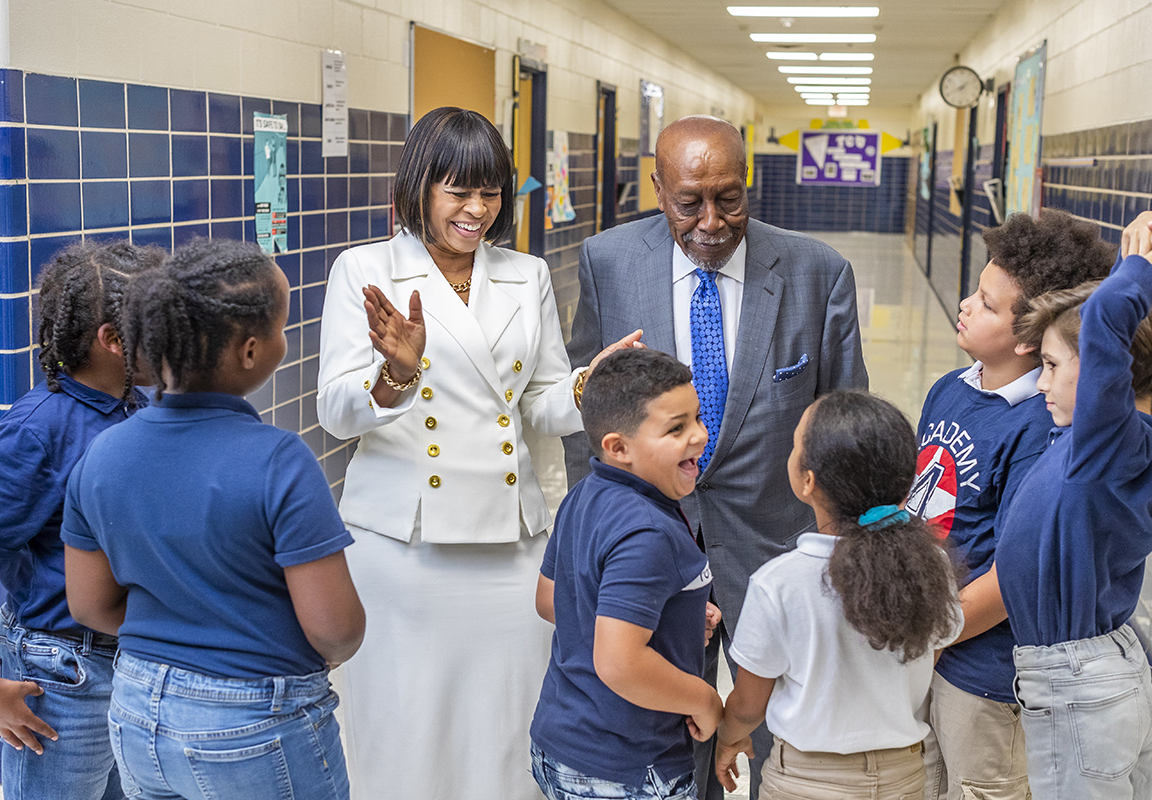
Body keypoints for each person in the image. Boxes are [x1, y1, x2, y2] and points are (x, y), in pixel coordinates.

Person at [316, 106, 639, 800]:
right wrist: (396, 373)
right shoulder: (365, 270)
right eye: (458, 191)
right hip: (407, 547)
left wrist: (589, 386)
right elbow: (336, 413)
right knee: (405, 729)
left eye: (490, 192)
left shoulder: (524, 274)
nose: (477, 210)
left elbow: (541, 403)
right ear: (420, 187)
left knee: (506, 727)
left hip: (510, 544)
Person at [562, 114, 868, 797]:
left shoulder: (817, 272)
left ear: (749, 181)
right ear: (657, 188)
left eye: (728, 198)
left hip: (778, 553)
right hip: (651, 555)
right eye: (688, 201)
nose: (711, 221)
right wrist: (592, 536)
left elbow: (847, 427)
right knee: (667, 732)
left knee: (783, 738)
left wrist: (850, 554)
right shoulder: (609, 263)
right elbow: (585, 410)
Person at [61, 238, 364, 800]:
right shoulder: (280, 460)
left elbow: (90, 606)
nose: (285, 340)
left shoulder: (102, 455)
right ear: (250, 351)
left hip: (135, 712)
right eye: (280, 328)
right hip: (255, 722)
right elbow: (337, 631)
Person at [904, 209, 1115, 800]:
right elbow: (919, 498)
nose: (967, 305)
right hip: (928, 647)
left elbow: (1016, 571)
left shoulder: (1037, 428)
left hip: (985, 672)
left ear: (1029, 336)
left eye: (988, 304)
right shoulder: (950, 387)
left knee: (979, 785)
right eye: (976, 291)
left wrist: (932, 631)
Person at [0, 240, 162, 800]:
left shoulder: (136, 407)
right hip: (60, 673)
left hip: (129, 660)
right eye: (163, 323)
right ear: (113, 341)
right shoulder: (38, 429)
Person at [714, 391, 963, 800]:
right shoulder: (932, 566)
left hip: (807, 781)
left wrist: (729, 737)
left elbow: (748, 704)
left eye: (795, 446)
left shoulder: (780, 583)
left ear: (807, 481)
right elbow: (928, 651)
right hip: (904, 774)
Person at [993, 212, 1152, 800]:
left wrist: (1135, 265)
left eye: (1054, 367)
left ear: (1106, 383)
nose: (1039, 384)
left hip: (1078, 683)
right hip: (1107, 671)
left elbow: (1110, 322)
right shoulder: (1114, 446)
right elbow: (1111, 329)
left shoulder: (1104, 448)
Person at [530, 348, 721, 800]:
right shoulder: (648, 531)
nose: (700, 435)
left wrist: (681, 616)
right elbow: (619, 662)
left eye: (696, 417)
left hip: (561, 743)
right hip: (628, 766)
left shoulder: (586, 494)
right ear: (618, 447)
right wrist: (704, 700)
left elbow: (550, 598)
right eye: (676, 428)